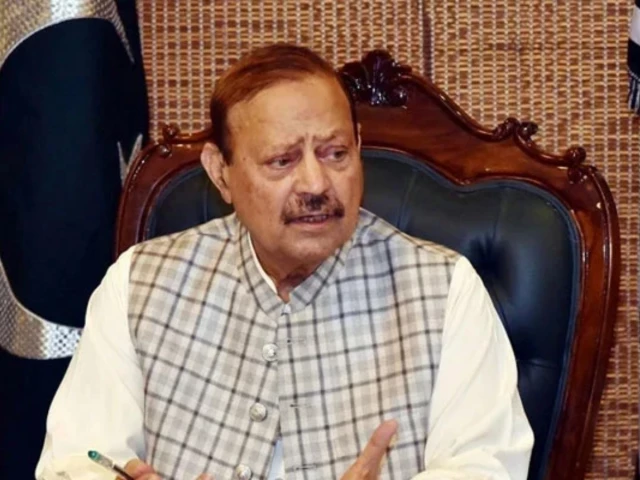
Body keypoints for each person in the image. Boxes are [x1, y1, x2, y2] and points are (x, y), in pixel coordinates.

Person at [36, 44, 533, 480]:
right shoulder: (140, 284)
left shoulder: (444, 291)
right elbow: (76, 461)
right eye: (282, 160)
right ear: (221, 173)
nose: (316, 184)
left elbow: (484, 467)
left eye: (336, 154)